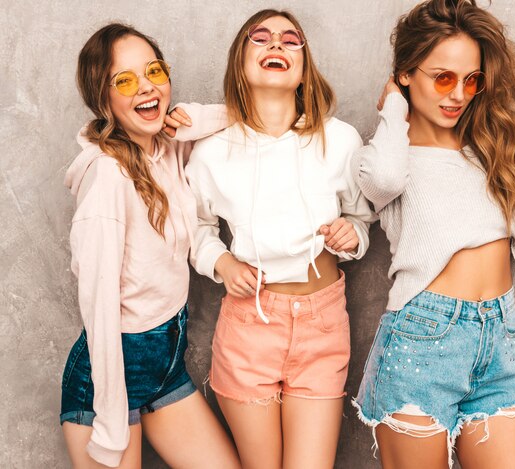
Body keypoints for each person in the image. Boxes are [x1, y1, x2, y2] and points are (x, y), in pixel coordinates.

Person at [351, 1, 515, 468]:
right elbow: (387, 180)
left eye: (471, 79)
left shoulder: (506, 142)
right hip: (421, 343)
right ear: (407, 73)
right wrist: (395, 103)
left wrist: (501, 76)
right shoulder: (385, 154)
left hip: (498, 337)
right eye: (443, 77)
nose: (458, 94)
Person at [182, 9, 376, 469]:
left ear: (305, 68)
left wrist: (352, 237)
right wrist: (223, 264)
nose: (277, 45)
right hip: (250, 327)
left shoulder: (341, 140)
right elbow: (195, 229)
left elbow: (360, 219)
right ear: (240, 62)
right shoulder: (211, 153)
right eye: (261, 38)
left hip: (323, 324)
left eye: (292, 40)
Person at [60, 23, 240, 468]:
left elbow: (247, 114)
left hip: (165, 362)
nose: (146, 87)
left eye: (154, 71)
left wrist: (190, 118)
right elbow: (98, 306)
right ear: (104, 99)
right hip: (111, 375)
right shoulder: (106, 177)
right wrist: (110, 421)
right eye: (125, 80)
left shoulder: (166, 148)